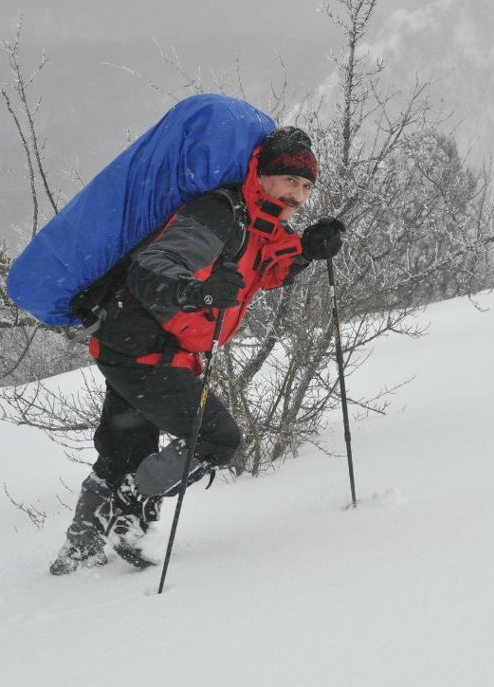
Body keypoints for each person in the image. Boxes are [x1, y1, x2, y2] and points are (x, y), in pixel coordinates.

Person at [50, 126, 345, 575]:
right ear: (262, 174)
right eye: (290, 180)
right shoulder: (219, 214)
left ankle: (79, 549)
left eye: (306, 186)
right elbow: (150, 271)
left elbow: (268, 270)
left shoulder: (261, 222)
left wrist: (306, 250)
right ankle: (133, 511)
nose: (299, 196)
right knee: (217, 439)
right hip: (144, 350)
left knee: (122, 452)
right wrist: (199, 293)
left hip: (130, 345)